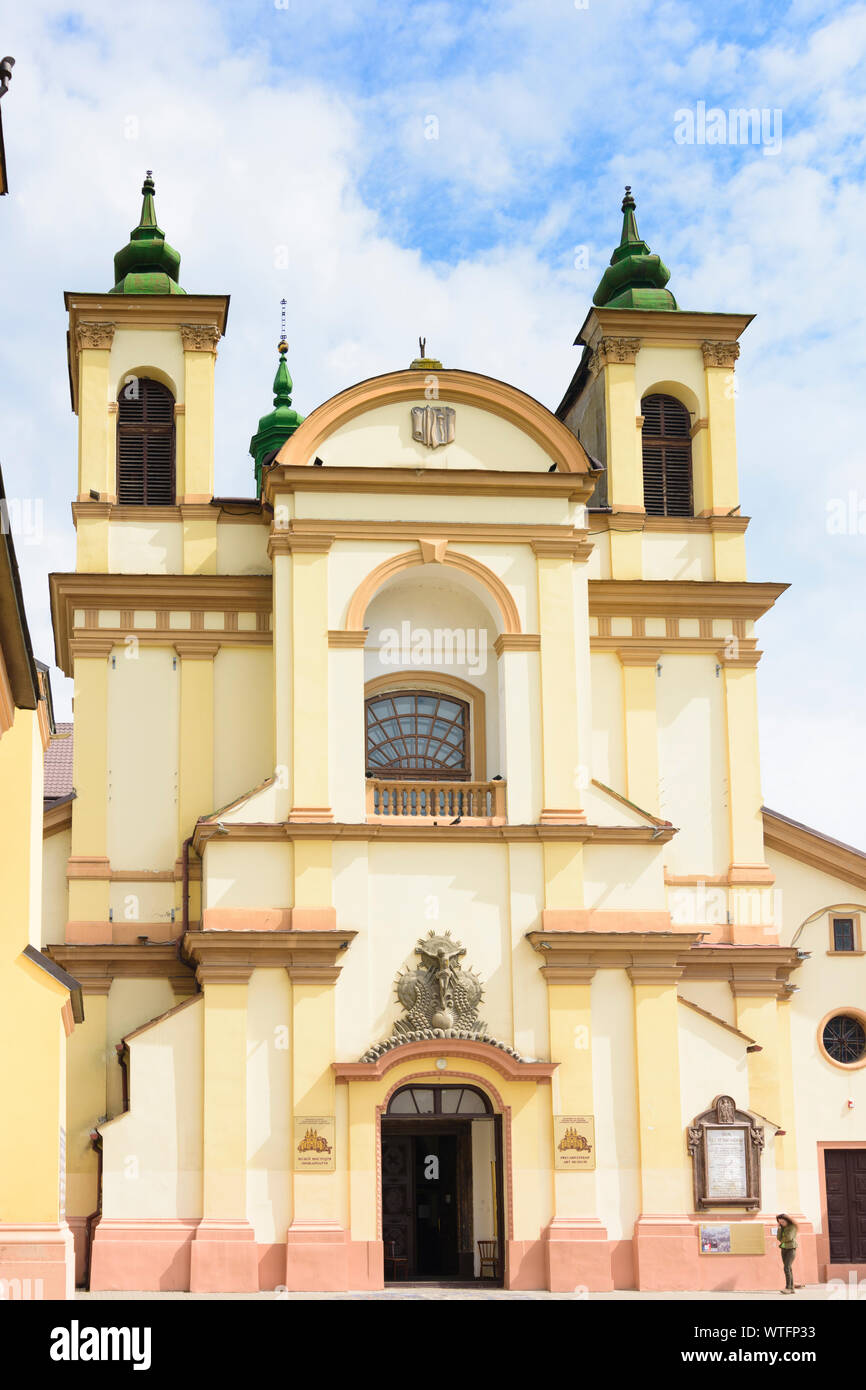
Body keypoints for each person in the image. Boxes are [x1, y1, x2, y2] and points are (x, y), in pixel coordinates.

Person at [776, 1213, 798, 1293]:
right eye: (780, 1222)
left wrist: (782, 1239)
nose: (781, 1224)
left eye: (782, 1222)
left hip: (791, 1249)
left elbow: (789, 1237)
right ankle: (791, 1289)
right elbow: (778, 1238)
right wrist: (779, 1228)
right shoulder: (782, 1228)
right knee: (789, 1268)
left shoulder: (792, 1227)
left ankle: (788, 1288)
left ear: (787, 1220)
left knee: (786, 1268)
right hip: (784, 1249)